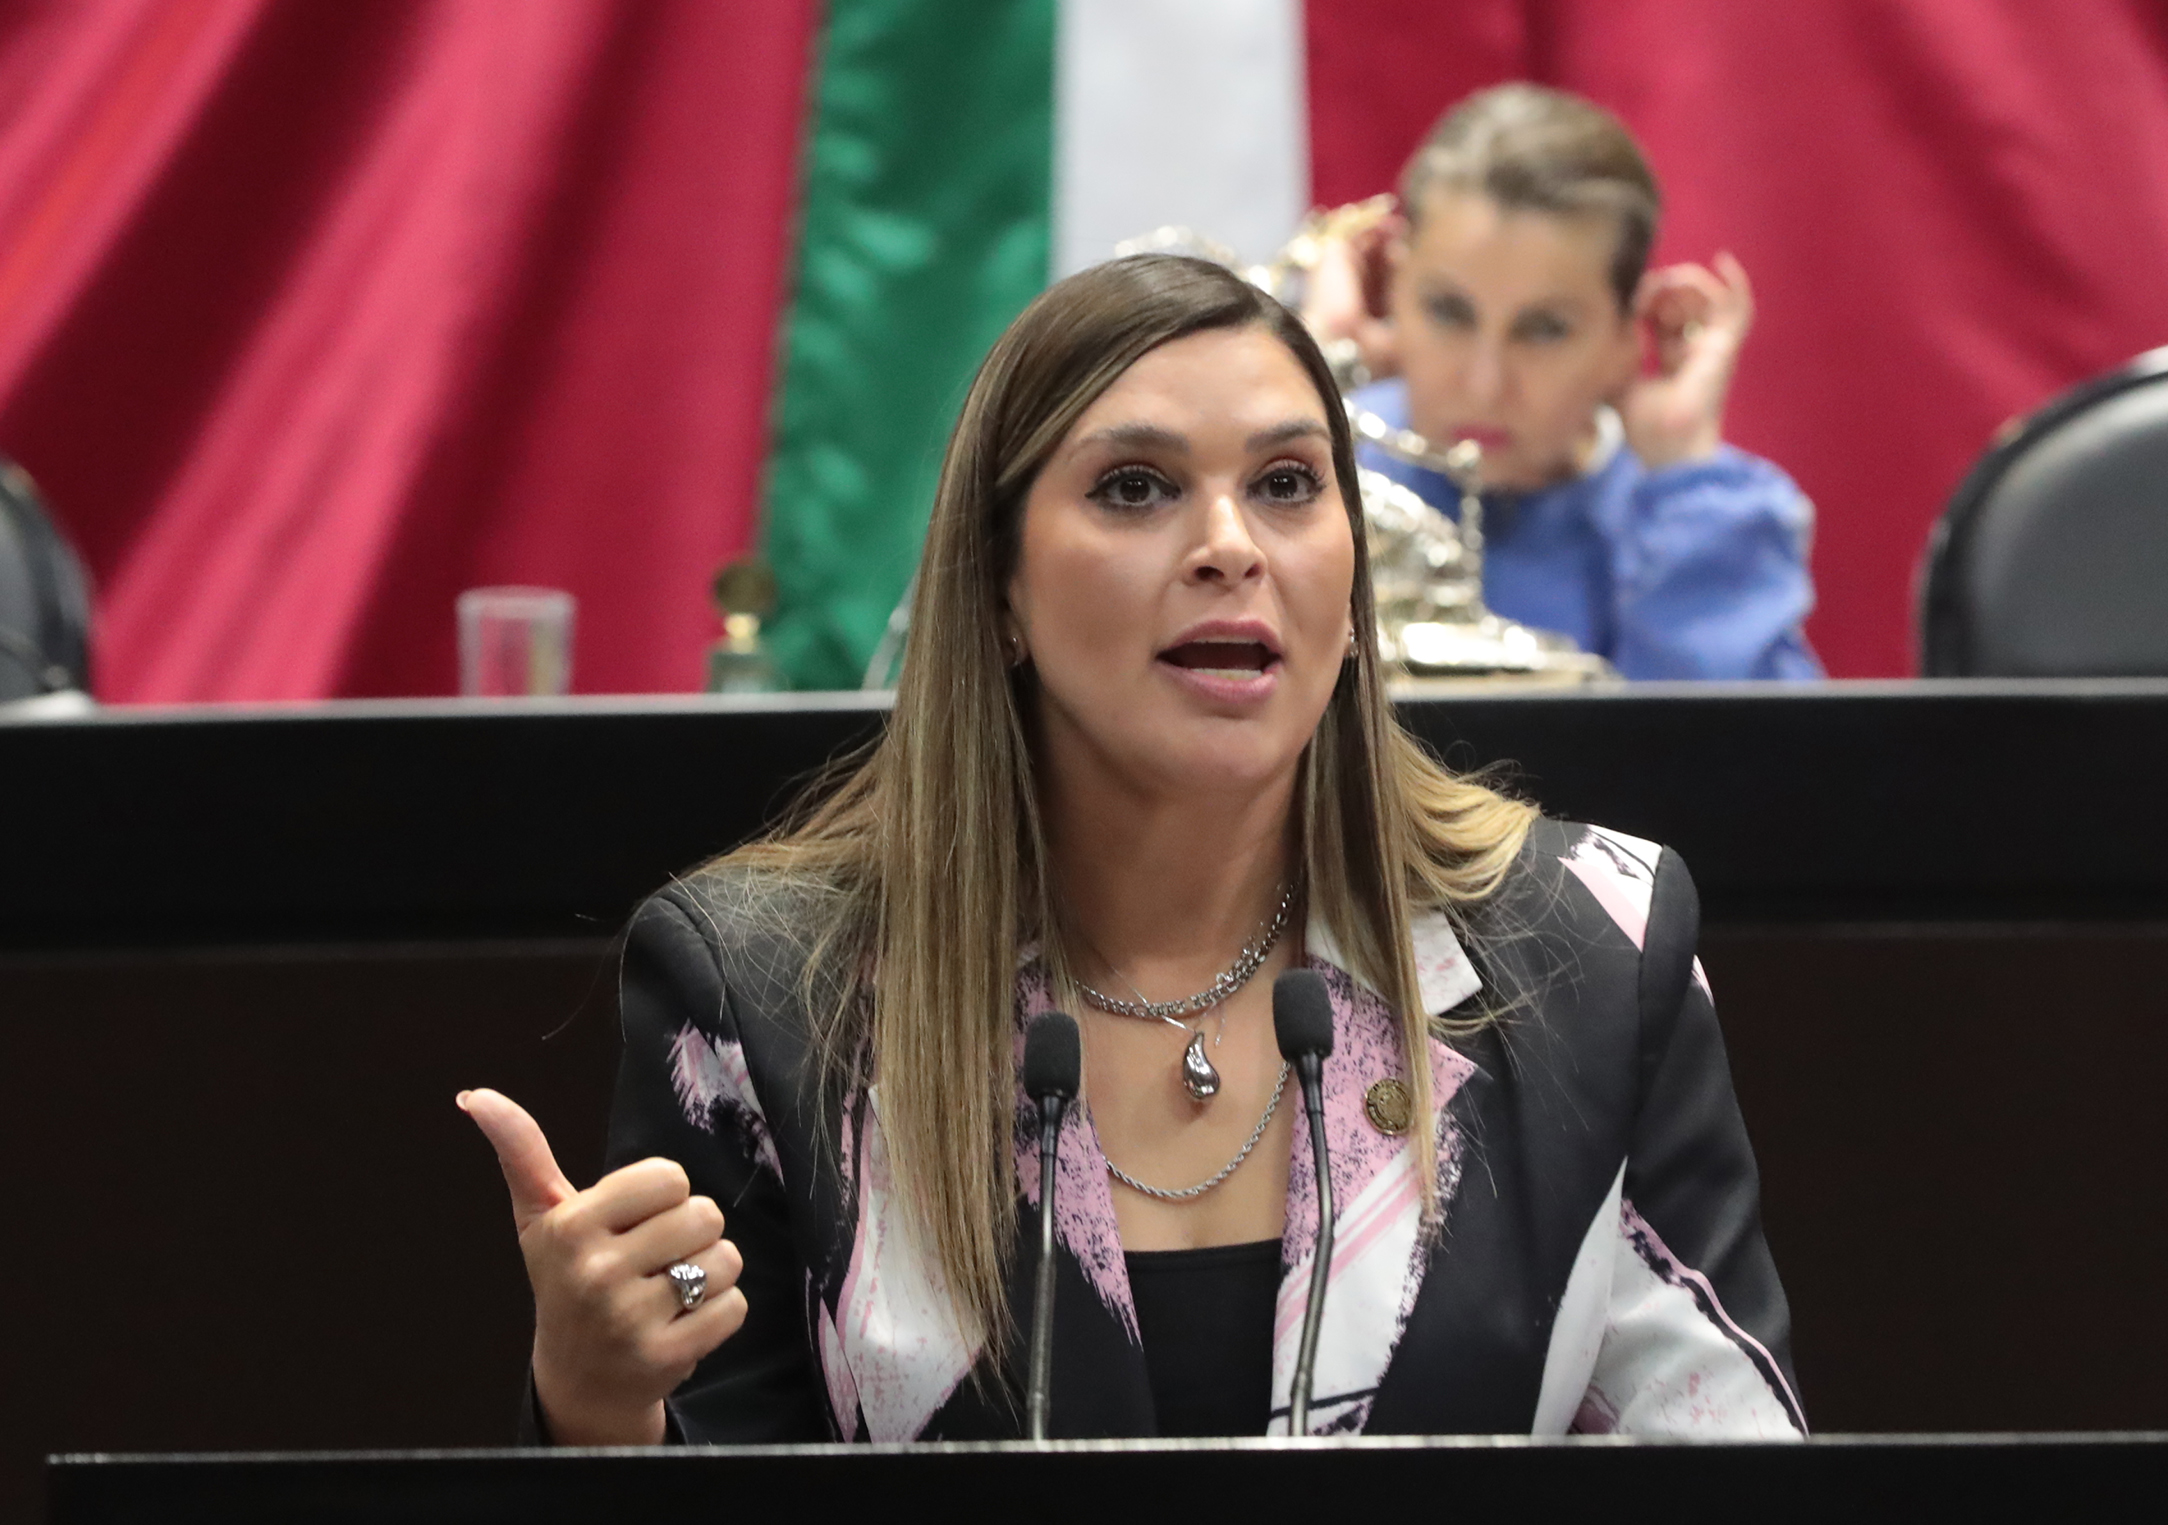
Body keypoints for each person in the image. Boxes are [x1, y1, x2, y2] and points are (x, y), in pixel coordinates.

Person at [460, 253, 1802, 1443]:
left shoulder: (1591, 947)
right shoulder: (770, 995)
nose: (1228, 546)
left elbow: (1732, 1498)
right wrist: (595, 1408)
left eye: (1286, 484)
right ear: (999, 589)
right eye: (1136, 487)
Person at [1305, 84, 1822, 681]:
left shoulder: (1695, 519)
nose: (1485, 385)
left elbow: (1743, 740)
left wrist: (1684, 471)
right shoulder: (1323, 466)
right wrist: (1308, 386)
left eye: (1545, 329)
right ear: (1393, 287)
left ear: (1628, 336)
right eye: (1448, 312)